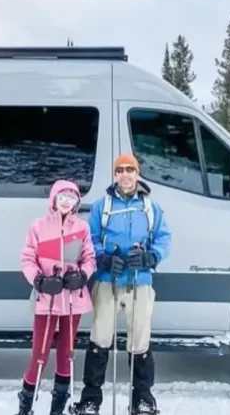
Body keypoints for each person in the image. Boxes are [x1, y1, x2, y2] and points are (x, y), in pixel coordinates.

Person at [70, 154, 172, 415]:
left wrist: (150, 257)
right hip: (108, 281)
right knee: (100, 337)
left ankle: (142, 398)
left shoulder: (150, 208)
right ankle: (91, 399)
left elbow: (163, 238)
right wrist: (104, 258)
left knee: (140, 340)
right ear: (115, 175)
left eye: (130, 170)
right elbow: (90, 238)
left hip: (140, 282)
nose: (125, 175)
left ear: (137, 174)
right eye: (120, 170)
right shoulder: (102, 206)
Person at [17, 179, 97, 415]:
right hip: (47, 300)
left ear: (76, 203)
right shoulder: (38, 226)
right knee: (39, 355)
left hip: (73, 301)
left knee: (66, 354)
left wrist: (82, 275)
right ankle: (26, 406)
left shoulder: (81, 228)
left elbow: (89, 257)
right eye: (62, 197)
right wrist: (39, 280)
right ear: (53, 199)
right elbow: (27, 259)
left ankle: (57, 408)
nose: (66, 202)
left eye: (71, 198)